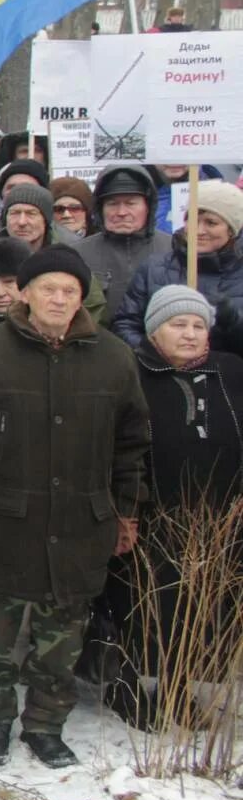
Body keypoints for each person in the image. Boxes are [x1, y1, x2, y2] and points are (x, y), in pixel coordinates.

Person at [0, 245, 150, 768]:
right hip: (0, 527)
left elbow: (131, 447)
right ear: (25, 293)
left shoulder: (113, 358)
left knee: (59, 646)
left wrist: (127, 511)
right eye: (48, 288)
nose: (59, 299)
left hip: (80, 527)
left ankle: (46, 724)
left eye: (70, 290)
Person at [104, 285, 243, 727]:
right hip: (153, 512)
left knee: (200, 605)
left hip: (220, 514)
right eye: (177, 324)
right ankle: (126, 687)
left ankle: (177, 685)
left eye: (198, 325)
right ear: (153, 331)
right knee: (145, 602)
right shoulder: (132, 372)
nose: (189, 334)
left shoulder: (231, 371)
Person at [112, 180, 243, 349]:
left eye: (211, 223)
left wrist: (233, 321)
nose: (199, 230)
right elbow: (125, 324)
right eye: (192, 219)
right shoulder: (154, 268)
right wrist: (154, 354)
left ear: (232, 230)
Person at [75, 166, 170, 318]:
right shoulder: (78, 254)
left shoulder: (172, 250)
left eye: (131, 203)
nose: (121, 212)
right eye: (112, 204)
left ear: (148, 207)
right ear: (100, 209)